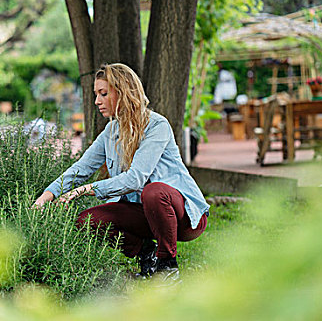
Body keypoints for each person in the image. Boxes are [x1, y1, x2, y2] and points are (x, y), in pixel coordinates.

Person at [34, 63, 209, 279]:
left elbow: (136, 179)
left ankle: (167, 267)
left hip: (184, 217)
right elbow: (82, 167)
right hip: (146, 214)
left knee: (153, 191)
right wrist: (47, 195)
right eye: (96, 94)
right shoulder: (111, 131)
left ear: (123, 92)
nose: (97, 101)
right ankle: (147, 254)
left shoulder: (156, 125)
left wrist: (85, 190)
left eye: (103, 93)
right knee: (87, 220)